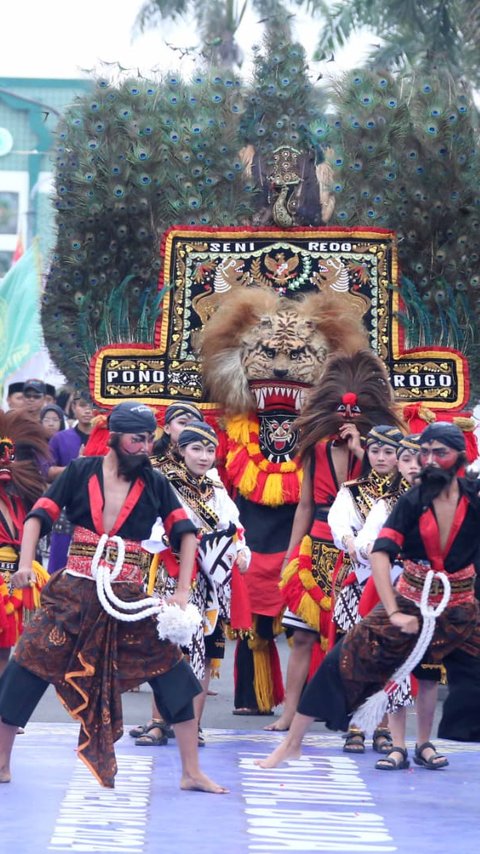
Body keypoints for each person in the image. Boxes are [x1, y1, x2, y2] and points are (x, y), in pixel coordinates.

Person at [0, 401, 227, 793]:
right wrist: (24, 563)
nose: (145, 446)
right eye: (137, 439)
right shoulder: (79, 471)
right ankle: (2, 761)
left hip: (128, 597)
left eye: (148, 439)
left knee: (175, 676)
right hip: (73, 592)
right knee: (26, 665)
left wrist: (183, 591)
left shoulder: (155, 482)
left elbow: (186, 534)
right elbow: (39, 515)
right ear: (115, 438)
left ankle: (191, 771)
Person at [256, 422, 480, 772]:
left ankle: (426, 742)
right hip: (411, 598)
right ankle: (291, 744)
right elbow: (380, 551)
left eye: (440, 453)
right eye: (425, 453)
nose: (431, 460)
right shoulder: (410, 500)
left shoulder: (474, 497)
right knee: (340, 662)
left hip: (461, 605)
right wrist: (392, 611)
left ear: (460, 458)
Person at [268, 350, 404, 733]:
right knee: (301, 637)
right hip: (318, 550)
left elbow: (386, 494)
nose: (346, 423)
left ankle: (367, 718)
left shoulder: (382, 458)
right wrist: (292, 553)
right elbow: (305, 505)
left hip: (363, 558)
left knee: (365, 639)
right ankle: (290, 714)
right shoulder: (315, 449)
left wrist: (363, 451)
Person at [135, 420, 251, 747]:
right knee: (168, 647)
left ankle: (193, 725)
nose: (203, 456)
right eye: (196, 449)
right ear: (180, 450)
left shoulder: (216, 491)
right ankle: (158, 722)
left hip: (208, 582)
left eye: (209, 450)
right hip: (170, 576)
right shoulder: (164, 484)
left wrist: (241, 553)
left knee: (202, 650)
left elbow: (235, 529)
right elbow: (152, 529)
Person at [327, 424, 404, 754]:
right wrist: (351, 543)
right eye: (376, 451)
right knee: (358, 655)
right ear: (367, 454)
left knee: (390, 657)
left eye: (389, 452)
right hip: (359, 580)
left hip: (400, 583)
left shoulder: (408, 494)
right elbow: (338, 523)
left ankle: (383, 726)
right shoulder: (352, 491)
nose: (382, 457)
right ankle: (356, 724)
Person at [0, 411, 49, 676]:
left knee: (7, 651)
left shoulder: (25, 500)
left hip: (16, 583)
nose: (5, 462)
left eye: (11, 456)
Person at [47, 390, 94, 573]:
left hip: (98, 509)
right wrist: (76, 466)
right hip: (67, 506)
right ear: (73, 407)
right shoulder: (60, 438)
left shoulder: (108, 439)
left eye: (92, 406)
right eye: (82, 405)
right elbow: (47, 471)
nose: (88, 410)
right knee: (58, 564)